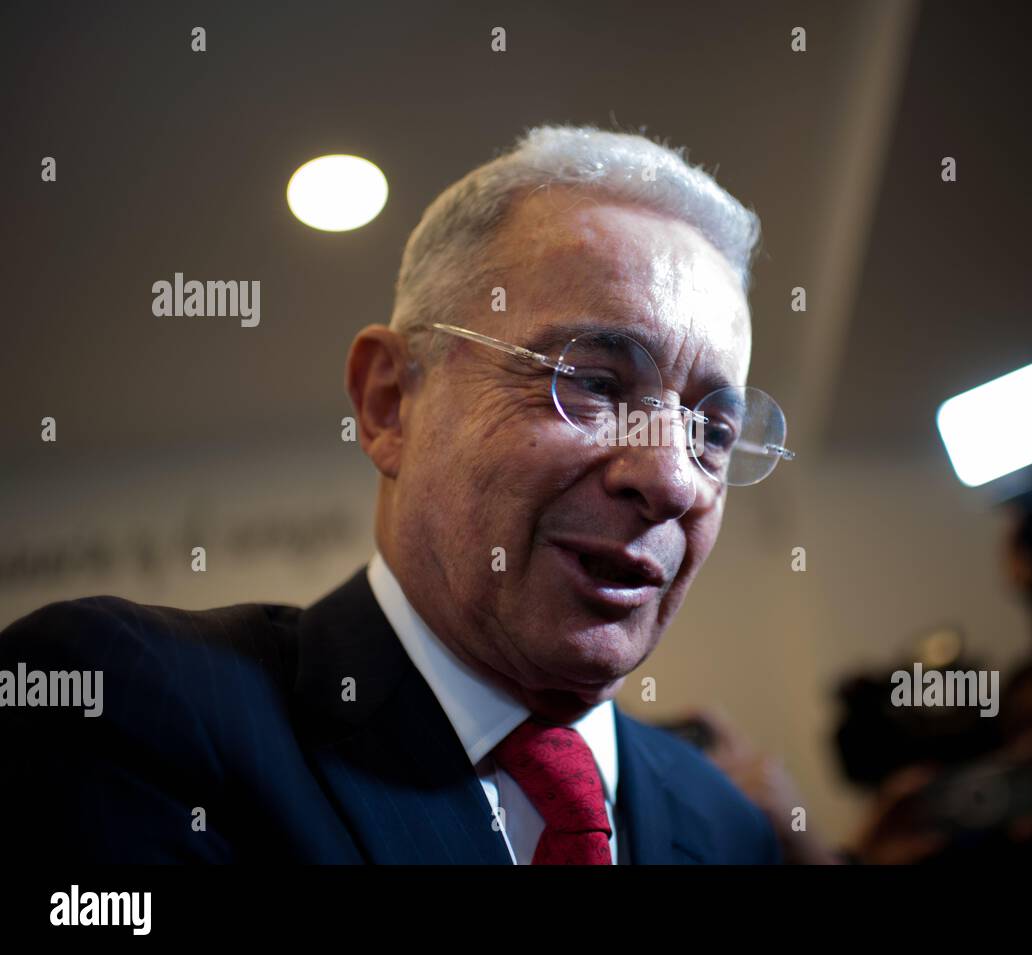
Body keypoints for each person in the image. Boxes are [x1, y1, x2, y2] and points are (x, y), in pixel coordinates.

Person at [0, 125, 796, 864]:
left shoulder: (732, 828)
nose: (669, 478)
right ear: (389, 402)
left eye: (713, 430)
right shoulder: (127, 707)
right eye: (591, 382)